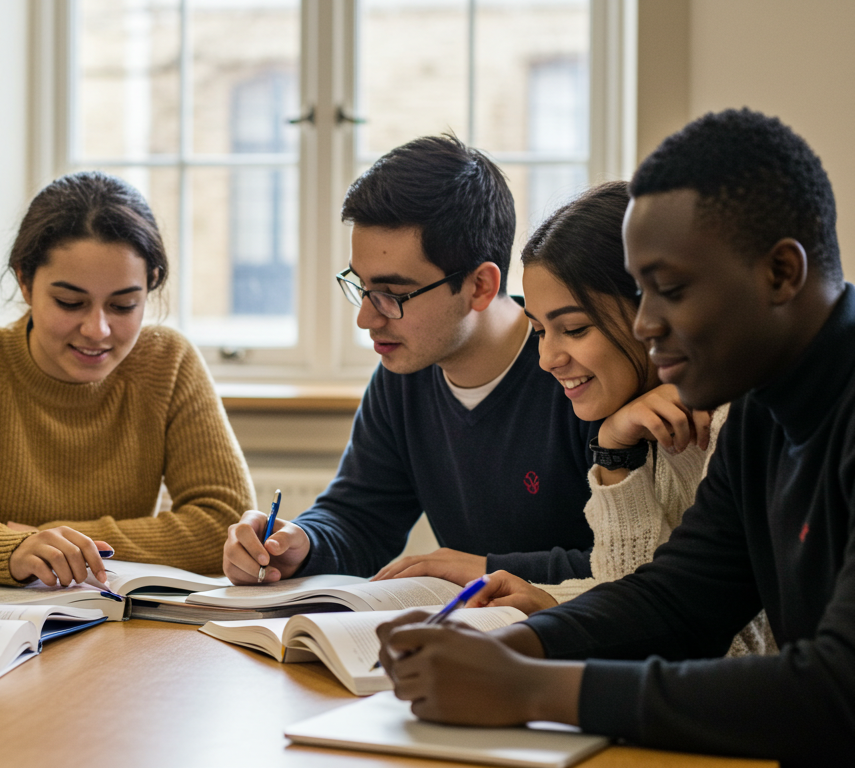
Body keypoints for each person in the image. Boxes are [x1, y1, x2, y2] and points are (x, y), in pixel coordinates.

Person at [376, 109, 855, 764]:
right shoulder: (762, 410)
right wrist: (521, 644)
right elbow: (681, 596)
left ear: (779, 273)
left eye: (669, 291)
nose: (647, 325)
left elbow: (837, 690)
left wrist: (534, 689)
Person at [221, 134, 596, 588]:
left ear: (480, 286)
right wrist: (301, 543)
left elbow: (637, 560)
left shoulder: (578, 371)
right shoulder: (404, 375)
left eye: (393, 295)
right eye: (361, 288)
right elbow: (360, 518)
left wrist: (488, 569)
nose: (365, 319)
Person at [0, 171, 255, 586]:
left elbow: (226, 525)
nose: (97, 330)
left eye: (123, 305)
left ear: (150, 285)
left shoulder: (168, 361)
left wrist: (48, 542)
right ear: (25, 281)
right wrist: (12, 549)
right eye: (70, 302)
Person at [480, 180, 773, 655]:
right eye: (538, 331)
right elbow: (642, 599)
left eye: (573, 328)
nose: (547, 357)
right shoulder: (648, 418)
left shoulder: (735, 419)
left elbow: (731, 643)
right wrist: (614, 451)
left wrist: (557, 621)